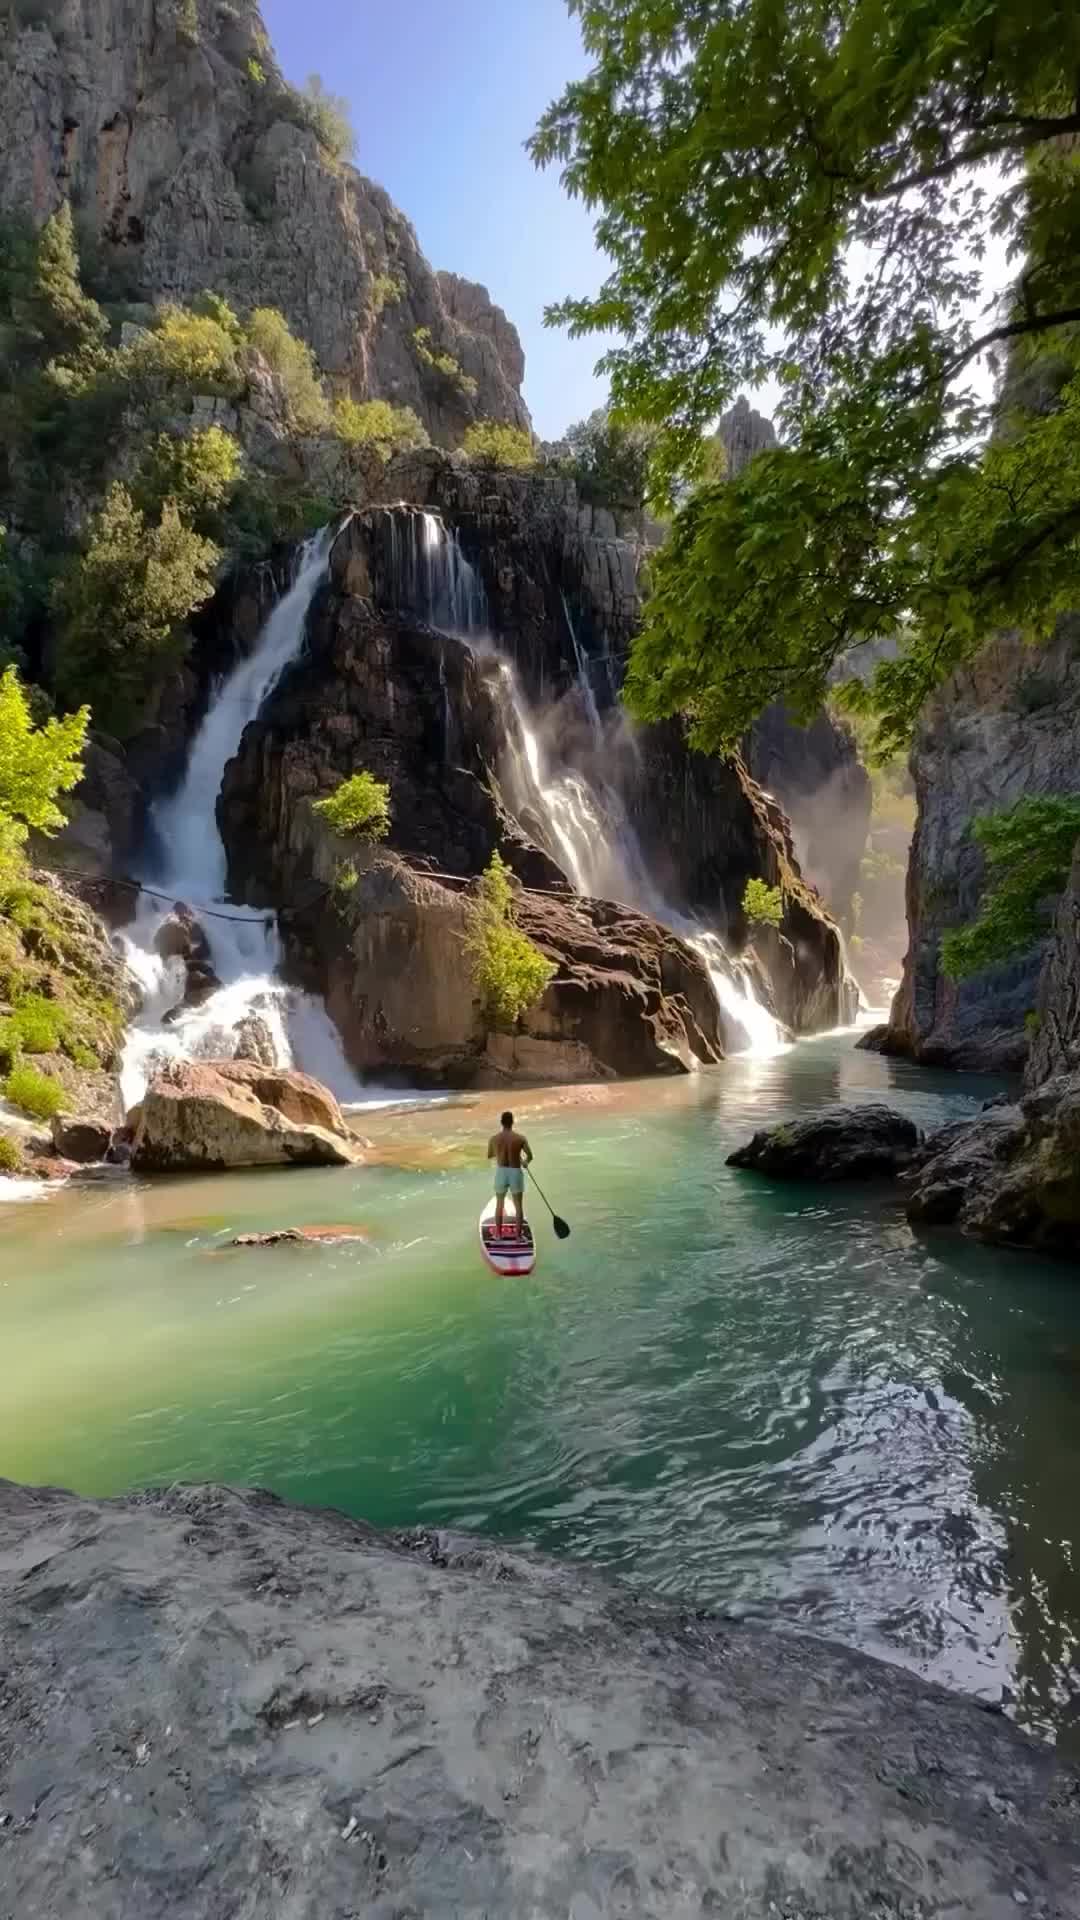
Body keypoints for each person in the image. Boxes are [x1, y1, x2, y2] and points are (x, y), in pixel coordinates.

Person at [486, 1110, 533, 1239]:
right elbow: (530, 1156)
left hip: (501, 1171)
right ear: (512, 1122)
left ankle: (499, 1235)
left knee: (499, 1204)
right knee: (518, 1206)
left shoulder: (494, 1139)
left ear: (501, 1123)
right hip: (515, 1171)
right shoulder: (520, 1138)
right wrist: (524, 1162)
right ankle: (518, 1237)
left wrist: (501, 1152)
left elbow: (490, 1155)